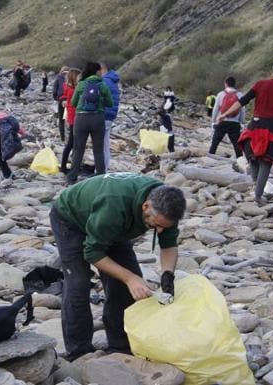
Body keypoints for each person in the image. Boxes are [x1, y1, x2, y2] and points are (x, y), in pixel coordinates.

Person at [50, 172, 185, 360]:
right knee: (78, 284)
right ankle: (79, 353)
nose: (160, 230)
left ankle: (120, 346)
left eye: (164, 227)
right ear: (146, 206)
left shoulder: (168, 206)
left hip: (114, 227)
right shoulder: (113, 205)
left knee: (124, 287)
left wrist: (168, 275)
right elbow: (93, 253)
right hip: (71, 220)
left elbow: (169, 245)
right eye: (156, 225)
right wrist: (129, 278)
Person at [217, 61, 273, 204]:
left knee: (253, 156)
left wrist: (224, 114)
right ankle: (258, 195)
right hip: (271, 128)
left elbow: (241, 101)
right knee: (266, 162)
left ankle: (256, 186)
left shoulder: (260, 84)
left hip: (254, 126)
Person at [66, 62, 113, 185]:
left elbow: (73, 102)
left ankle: (72, 178)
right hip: (98, 118)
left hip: (81, 118)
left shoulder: (81, 84)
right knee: (98, 150)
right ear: (97, 71)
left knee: (78, 149)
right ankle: (100, 178)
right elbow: (110, 103)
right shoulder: (102, 85)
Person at [209, 77, 245, 158]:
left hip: (222, 121)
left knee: (215, 142)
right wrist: (242, 122)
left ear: (226, 84)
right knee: (237, 145)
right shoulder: (239, 95)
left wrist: (213, 121)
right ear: (234, 84)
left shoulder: (221, 94)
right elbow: (242, 110)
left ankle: (210, 157)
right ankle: (240, 161)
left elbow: (216, 109)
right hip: (234, 123)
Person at [60, 68, 81, 173]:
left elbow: (64, 96)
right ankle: (65, 167)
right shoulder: (73, 89)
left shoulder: (68, 87)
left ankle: (67, 165)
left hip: (72, 117)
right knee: (72, 143)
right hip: (74, 118)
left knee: (72, 143)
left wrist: (63, 100)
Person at [100, 63, 120, 170]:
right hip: (110, 115)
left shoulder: (105, 81)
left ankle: (101, 170)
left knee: (101, 145)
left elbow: (102, 99)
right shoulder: (113, 80)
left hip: (104, 114)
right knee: (105, 144)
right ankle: (104, 167)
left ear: (101, 69)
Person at [53, 66, 69, 142]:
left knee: (61, 120)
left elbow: (54, 91)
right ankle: (71, 136)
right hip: (70, 100)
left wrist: (57, 99)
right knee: (70, 119)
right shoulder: (71, 78)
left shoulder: (58, 78)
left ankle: (63, 137)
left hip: (61, 100)